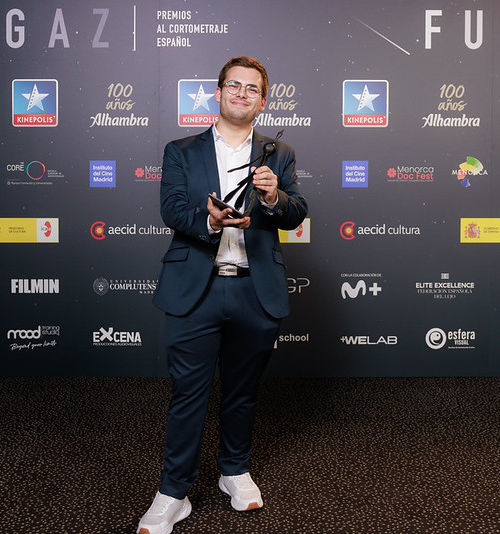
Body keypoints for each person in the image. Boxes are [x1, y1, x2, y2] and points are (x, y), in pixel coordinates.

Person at [137, 56, 308, 534]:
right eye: (233, 85)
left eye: (252, 89)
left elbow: (297, 211)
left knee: (242, 390)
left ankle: (234, 470)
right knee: (187, 394)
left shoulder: (280, 153)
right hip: (196, 289)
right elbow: (172, 209)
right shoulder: (180, 150)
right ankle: (173, 492)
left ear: (263, 101)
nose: (241, 93)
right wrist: (210, 221)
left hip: (256, 290)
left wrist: (273, 198)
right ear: (218, 92)